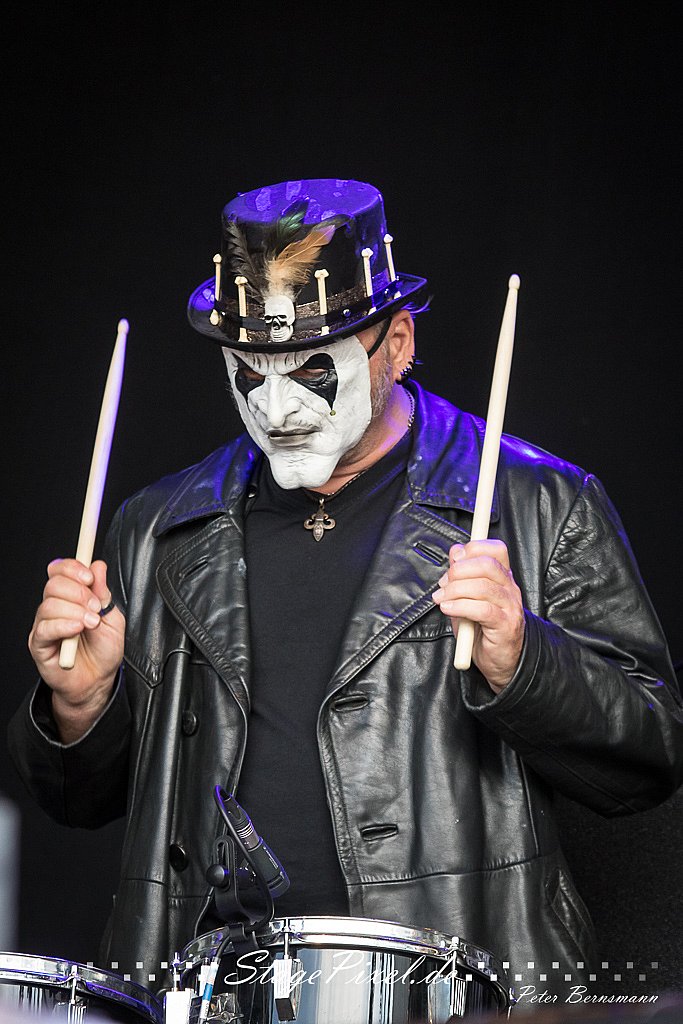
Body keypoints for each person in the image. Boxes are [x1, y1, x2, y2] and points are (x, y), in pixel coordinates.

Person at [9, 178, 683, 1006]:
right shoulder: (157, 525)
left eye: (310, 371)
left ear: (395, 344)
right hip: (205, 989)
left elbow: (651, 756)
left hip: (455, 992)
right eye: (249, 373)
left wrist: (522, 660)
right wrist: (80, 709)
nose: (276, 406)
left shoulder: (540, 504)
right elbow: (80, 805)